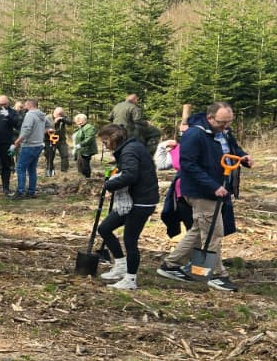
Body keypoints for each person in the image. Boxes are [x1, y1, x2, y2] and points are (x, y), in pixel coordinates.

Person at [157, 103, 249, 293]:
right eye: (222, 122)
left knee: (199, 230)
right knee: (214, 232)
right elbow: (188, 165)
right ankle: (217, 275)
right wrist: (213, 186)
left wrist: (243, 157)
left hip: (218, 189)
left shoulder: (223, 131)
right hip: (201, 192)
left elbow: (231, 149)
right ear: (210, 118)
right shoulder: (195, 134)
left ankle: (171, 265)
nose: (225, 126)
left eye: (228, 122)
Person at [94, 124, 159, 290]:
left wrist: (110, 184)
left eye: (105, 141)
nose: (105, 145)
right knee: (105, 228)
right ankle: (121, 266)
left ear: (112, 138)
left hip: (141, 201)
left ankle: (130, 279)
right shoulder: (130, 147)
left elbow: (131, 174)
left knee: (130, 240)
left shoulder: (129, 150)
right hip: (132, 199)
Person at [14, 99, 48, 198]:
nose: (24, 107)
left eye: (25, 105)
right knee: (32, 169)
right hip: (38, 145)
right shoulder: (42, 116)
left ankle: (20, 192)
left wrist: (17, 142)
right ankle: (31, 191)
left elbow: (26, 130)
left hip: (29, 145)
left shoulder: (30, 115)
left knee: (20, 168)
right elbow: (49, 127)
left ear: (29, 105)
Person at [43, 107, 70, 176]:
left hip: (61, 140)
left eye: (61, 114)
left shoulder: (63, 117)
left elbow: (70, 122)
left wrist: (62, 119)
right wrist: (54, 122)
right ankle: (50, 173)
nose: (60, 115)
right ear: (54, 112)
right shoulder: (47, 118)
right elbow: (42, 129)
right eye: (58, 114)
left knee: (65, 155)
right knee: (49, 157)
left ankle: (64, 173)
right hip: (49, 140)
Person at [72, 113, 97, 178]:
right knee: (79, 165)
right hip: (80, 150)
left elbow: (89, 138)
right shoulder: (80, 128)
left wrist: (80, 144)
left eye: (79, 120)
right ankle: (81, 179)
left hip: (86, 150)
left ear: (84, 120)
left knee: (84, 166)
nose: (77, 122)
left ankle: (87, 179)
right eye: (77, 120)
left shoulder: (89, 127)